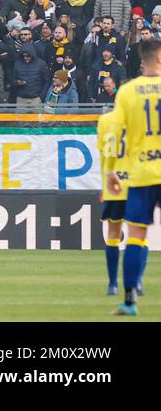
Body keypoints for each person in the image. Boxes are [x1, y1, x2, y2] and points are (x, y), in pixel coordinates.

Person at [104, 36, 161, 316]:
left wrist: (112, 170)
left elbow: (115, 134)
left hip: (140, 173)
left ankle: (128, 301)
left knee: (136, 236)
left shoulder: (127, 92)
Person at [97, 106, 129, 298]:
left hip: (113, 183)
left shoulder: (106, 120)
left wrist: (104, 184)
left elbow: (104, 154)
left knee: (113, 234)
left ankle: (113, 283)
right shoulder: (137, 120)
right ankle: (137, 282)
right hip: (135, 181)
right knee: (137, 234)